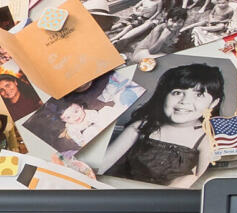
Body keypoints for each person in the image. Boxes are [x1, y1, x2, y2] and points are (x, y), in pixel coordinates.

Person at [85, 60, 227, 189]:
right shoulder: (142, 127)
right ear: (164, 95)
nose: (185, 101)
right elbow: (100, 167)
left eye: (199, 94)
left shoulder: (206, 138)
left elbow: (204, 184)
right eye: (177, 93)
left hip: (166, 199)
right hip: (121, 190)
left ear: (214, 103)